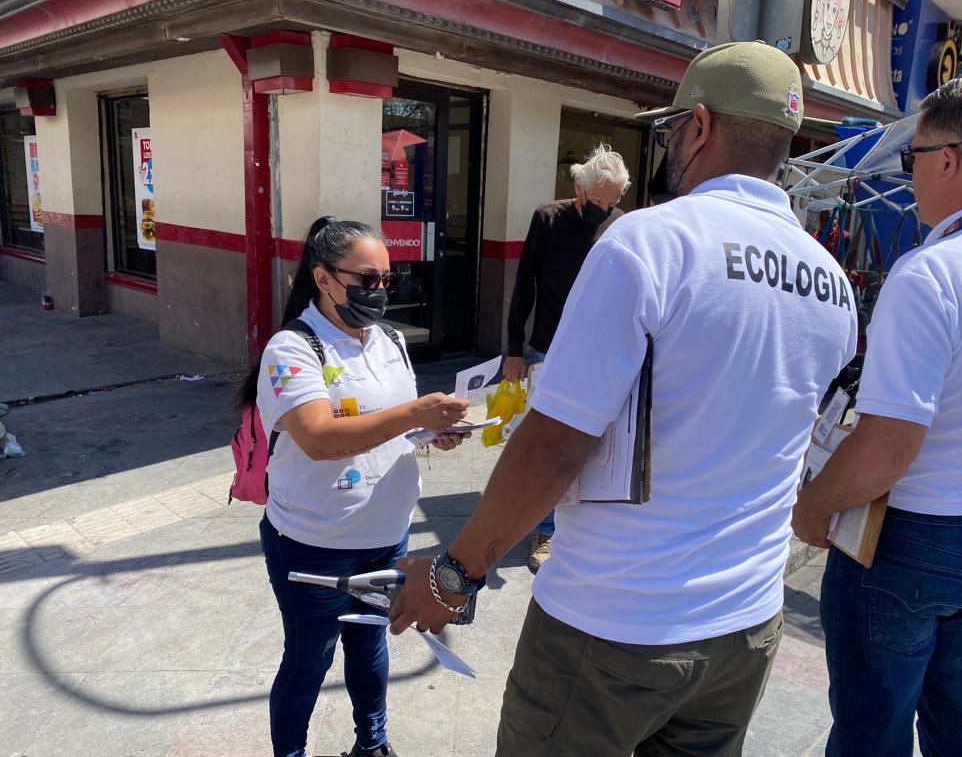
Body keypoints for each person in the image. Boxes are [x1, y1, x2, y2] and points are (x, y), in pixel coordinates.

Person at [390, 42, 858, 756]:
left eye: (671, 130)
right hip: (745, 628)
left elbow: (555, 448)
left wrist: (455, 573)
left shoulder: (651, 241)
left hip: (614, 624)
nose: (668, 146)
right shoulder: (832, 282)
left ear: (700, 125)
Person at [792, 74, 962, 757]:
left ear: (947, 159)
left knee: (872, 731)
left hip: (912, 539)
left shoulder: (935, 273)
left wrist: (813, 507)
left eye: (910, 157)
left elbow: (887, 448)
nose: (909, 175)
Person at [243, 217, 470, 757]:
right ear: (323, 278)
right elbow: (319, 439)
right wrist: (414, 413)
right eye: (367, 279)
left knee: (370, 647)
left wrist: (429, 433)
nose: (380, 291)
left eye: (388, 279)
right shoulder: (292, 349)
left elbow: (393, 427)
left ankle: (372, 743)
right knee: (309, 660)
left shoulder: (391, 340)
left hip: (387, 538)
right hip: (314, 543)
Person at [502, 143, 630, 572]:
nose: (605, 210)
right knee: (545, 442)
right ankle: (543, 529)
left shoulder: (621, 224)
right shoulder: (548, 218)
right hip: (548, 349)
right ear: (579, 188)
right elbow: (525, 284)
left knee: (591, 444)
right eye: (599, 201)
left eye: (614, 201)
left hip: (598, 350)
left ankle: (578, 524)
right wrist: (514, 349)